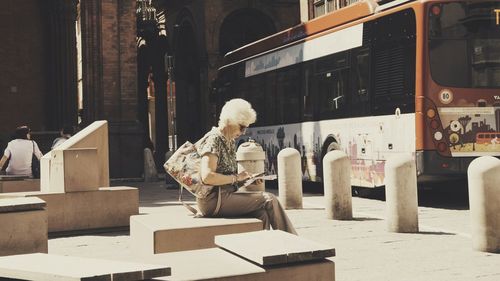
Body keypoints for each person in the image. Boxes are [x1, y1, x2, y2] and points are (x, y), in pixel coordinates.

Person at [197, 98, 297, 234]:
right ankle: (292, 243)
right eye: (242, 127)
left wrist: (247, 179)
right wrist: (236, 177)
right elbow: (207, 177)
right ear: (230, 120)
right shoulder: (214, 139)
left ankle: (265, 250)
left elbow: (228, 177)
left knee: (262, 214)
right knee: (269, 199)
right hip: (214, 201)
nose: (244, 132)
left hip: (225, 195)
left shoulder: (229, 141)